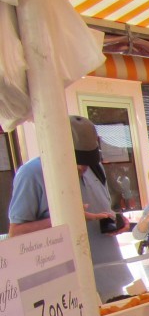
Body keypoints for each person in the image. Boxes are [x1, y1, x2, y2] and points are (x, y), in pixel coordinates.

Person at [8, 115, 132, 301]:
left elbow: (101, 209)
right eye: (77, 159)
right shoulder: (31, 174)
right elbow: (16, 233)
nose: (84, 166)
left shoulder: (94, 167)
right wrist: (67, 217)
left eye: (88, 159)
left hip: (111, 279)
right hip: (68, 293)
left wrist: (117, 220)